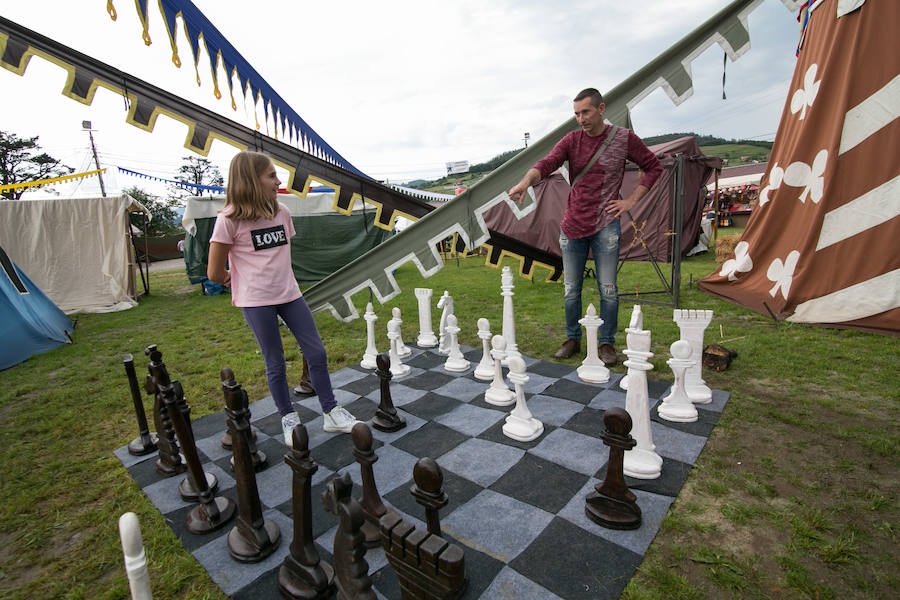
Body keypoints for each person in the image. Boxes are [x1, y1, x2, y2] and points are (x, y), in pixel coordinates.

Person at [207, 151, 359, 446]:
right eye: (271, 176)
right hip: (256, 301)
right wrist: (233, 277)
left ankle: (331, 412)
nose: (278, 181)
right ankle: (288, 418)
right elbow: (213, 272)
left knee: (316, 353)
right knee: (275, 361)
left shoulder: (282, 213)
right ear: (251, 180)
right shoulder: (227, 221)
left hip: (290, 295)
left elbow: (276, 257)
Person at [508, 88, 662, 365]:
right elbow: (546, 164)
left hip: (606, 225)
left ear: (601, 109)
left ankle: (606, 343)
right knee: (570, 288)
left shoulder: (624, 139)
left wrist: (630, 201)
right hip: (572, 225)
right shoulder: (571, 140)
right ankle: (572, 339)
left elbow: (653, 167)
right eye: (576, 114)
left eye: (586, 112)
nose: (580, 119)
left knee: (608, 288)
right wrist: (524, 182)